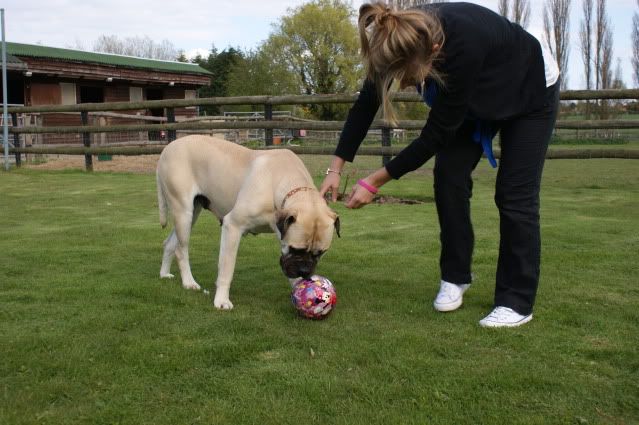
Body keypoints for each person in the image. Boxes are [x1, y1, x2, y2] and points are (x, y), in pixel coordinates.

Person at [319, 2, 560, 328]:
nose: (403, 85)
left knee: (514, 195)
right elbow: (365, 106)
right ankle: (456, 276)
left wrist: (374, 181)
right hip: (475, 97)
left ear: (433, 52)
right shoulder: (393, 40)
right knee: (448, 177)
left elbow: (435, 135)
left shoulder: (463, 44)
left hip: (528, 90)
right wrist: (336, 169)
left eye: (407, 77)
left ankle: (516, 301)